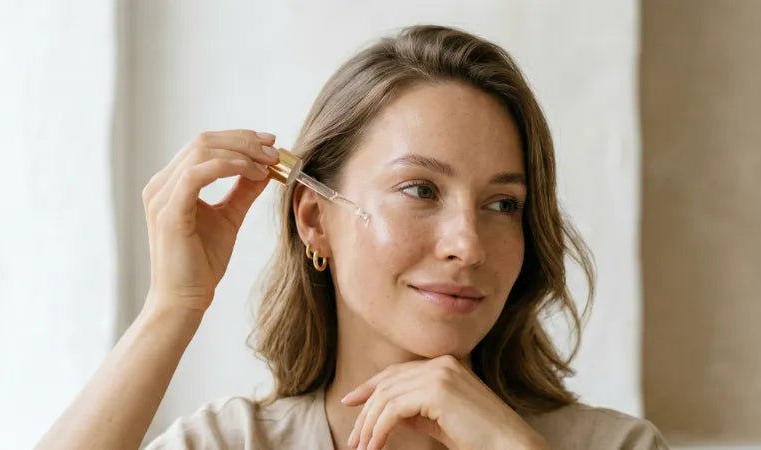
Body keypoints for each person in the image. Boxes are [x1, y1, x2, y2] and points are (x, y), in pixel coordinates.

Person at [38, 25, 668, 450]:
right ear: (314, 218)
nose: (468, 244)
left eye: (503, 204)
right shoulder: (231, 444)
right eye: (420, 190)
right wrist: (172, 306)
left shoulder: (612, 448)